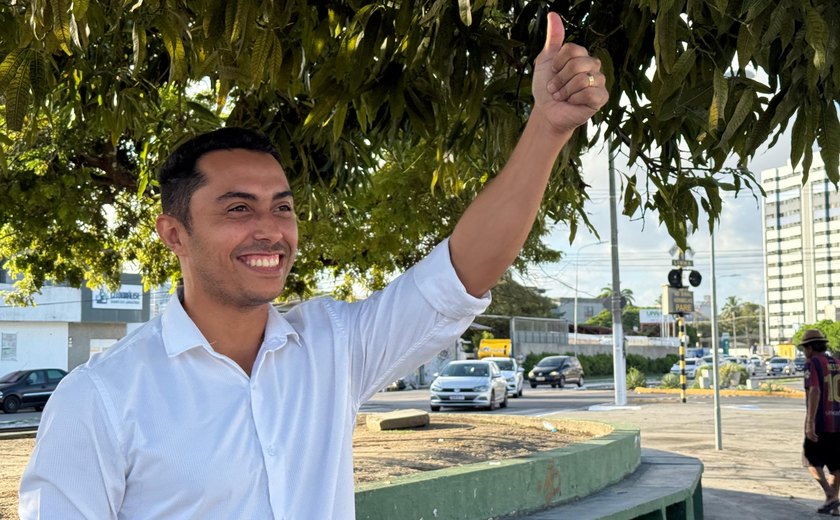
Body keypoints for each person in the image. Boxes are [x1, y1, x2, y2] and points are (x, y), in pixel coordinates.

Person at [19, 12, 608, 519]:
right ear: (174, 233)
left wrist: (547, 127)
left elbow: (457, 276)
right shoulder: (101, 396)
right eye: (238, 208)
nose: (270, 230)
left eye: (282, 207)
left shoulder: (330, 347)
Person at [799, 329, 840, 516]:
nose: (804, 352)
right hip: (838, 421)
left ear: (810, 347)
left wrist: (810, 421)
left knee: (811, 461)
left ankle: (831, 495)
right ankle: (833, 506)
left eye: (804, 348)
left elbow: (814, 390)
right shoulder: (837, 363)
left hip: (821, 421)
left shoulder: (812, 363)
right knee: (836, 465)